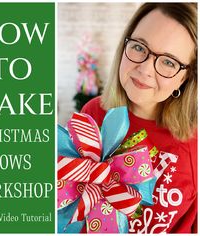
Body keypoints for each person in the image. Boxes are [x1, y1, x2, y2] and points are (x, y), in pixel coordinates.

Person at [81, 3, 197, 234]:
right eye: (139, 47)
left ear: (185, 78)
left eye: (168, 62)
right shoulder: (93, 114)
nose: (145, 69)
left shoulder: (195, 145)